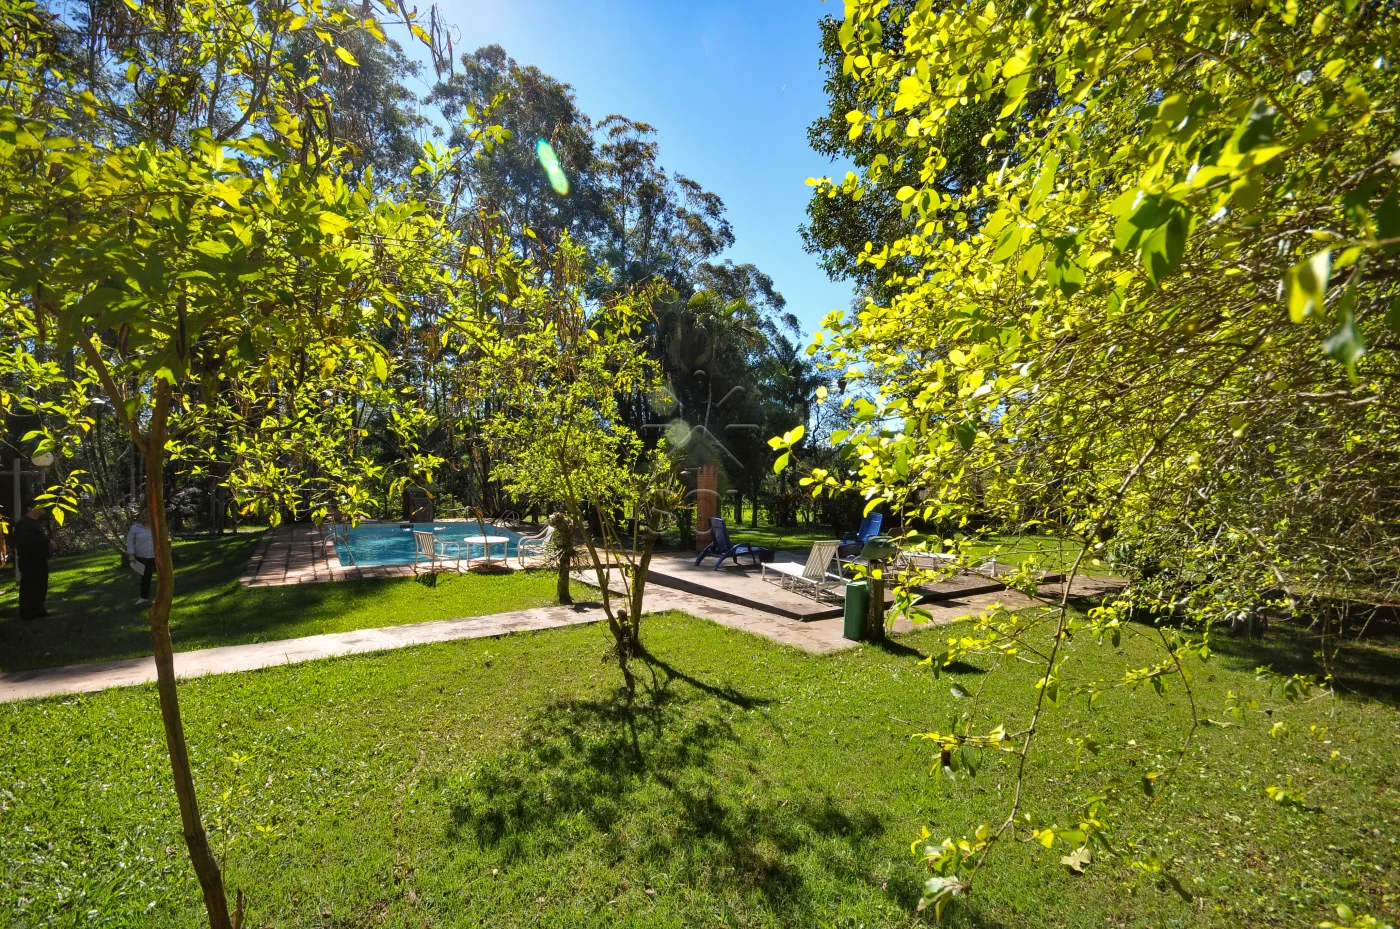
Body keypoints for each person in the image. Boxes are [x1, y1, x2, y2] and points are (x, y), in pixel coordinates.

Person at [14, 500, 51, 621]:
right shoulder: (24, 524)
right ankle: (27, 612)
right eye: (39, 506)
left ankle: (39, 609)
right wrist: (46, 541)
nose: (42, 508)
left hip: (40, 559)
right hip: (29, 561)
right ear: (30, 509)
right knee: (29, 586)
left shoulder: (35, 523)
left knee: (41, 585)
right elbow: (26, 542)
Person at [126, 510, 156, 605]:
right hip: (142, 556)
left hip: (157, 556)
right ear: (142, 517)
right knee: (146, 578)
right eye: (145, 516)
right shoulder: (135, 528)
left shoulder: (158, 526)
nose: (147, 518)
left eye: (150, 516)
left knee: (163, 576)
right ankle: (144, 597)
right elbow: (130, 541)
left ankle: (163, 596)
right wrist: (131, 554)